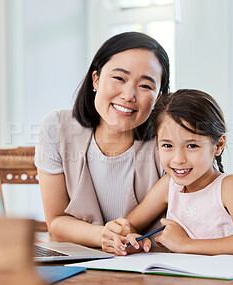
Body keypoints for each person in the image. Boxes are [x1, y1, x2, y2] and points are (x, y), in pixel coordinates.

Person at [34, 32, 170, 254]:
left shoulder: (171, 140)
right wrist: (103, 236)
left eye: (145, 86)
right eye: (119, 78)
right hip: (84, 265)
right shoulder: (55, 128)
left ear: (158, 96)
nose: (129, 95)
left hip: (153, 266)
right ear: (95, 79)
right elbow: (56, 221)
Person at [109, 89, 233, 257]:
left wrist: (185, 244)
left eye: (192, 146)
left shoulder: (229, 186)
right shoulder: (169, 185)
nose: (178, 159)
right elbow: (129, 225)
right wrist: (129, 238)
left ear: (218, 146)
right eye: (167, 145)